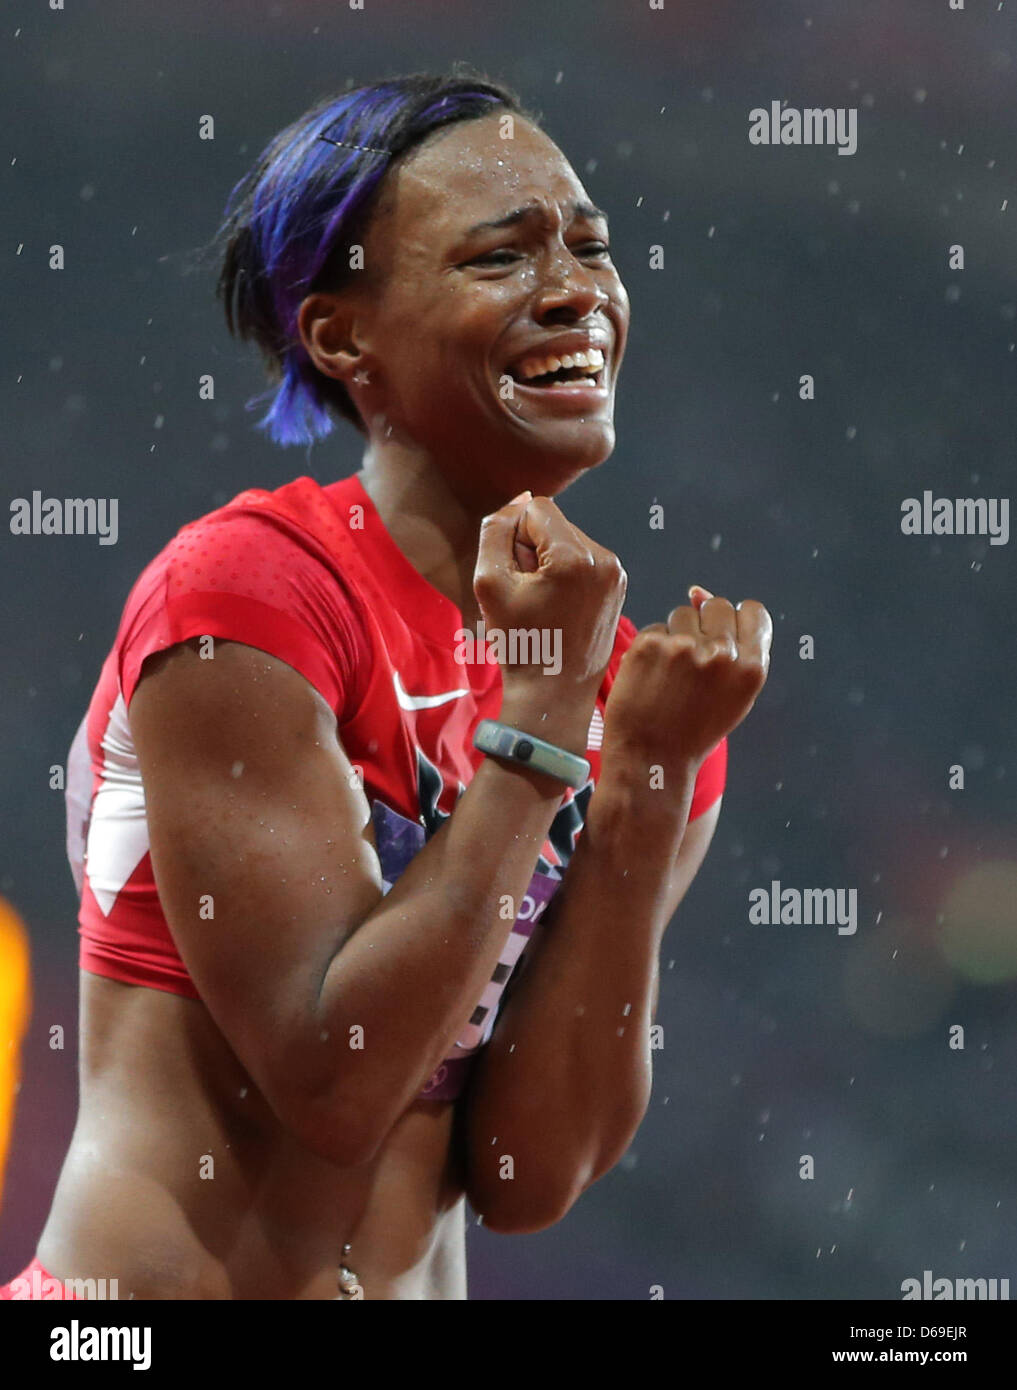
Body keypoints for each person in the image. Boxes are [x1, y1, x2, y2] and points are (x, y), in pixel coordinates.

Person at [1, 72, 771, 1301]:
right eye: (499, 256)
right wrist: (541, 715)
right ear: (340, 337)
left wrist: (645, 790)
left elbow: (528, 1173)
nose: (574, 290)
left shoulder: (638, 701)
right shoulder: (249, 593)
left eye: (590, 246)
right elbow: (336, 1082)